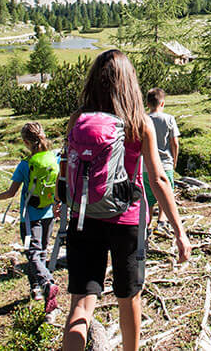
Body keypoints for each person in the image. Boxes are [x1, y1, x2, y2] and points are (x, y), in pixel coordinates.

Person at [62, 50, 191, 351]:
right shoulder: (139, 123)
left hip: (83, 217)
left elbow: (67, 169)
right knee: (129, 298)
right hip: (127, 222)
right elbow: (158, 180)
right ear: (129, 82)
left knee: (80, 305)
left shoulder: (77, 120)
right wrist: (179, 231)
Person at [0, 122, 60, 313]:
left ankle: (46, 284)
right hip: (49, 214)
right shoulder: (54, 158)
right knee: (42, 250)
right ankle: (37, 290)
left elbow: (11, 193)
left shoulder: (24, 165)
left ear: (26, 142)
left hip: (29, 218)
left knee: (32, 252)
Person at [141, 88, 180, 229]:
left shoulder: (143, 120)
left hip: (146, 165)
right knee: (166, 192)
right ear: (162, 103)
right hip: (165, 164)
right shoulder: (169, 119)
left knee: (148, 197)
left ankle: (147, 223)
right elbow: (174, 142)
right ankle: (162, 220)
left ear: (147, 103)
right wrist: (174, 160)